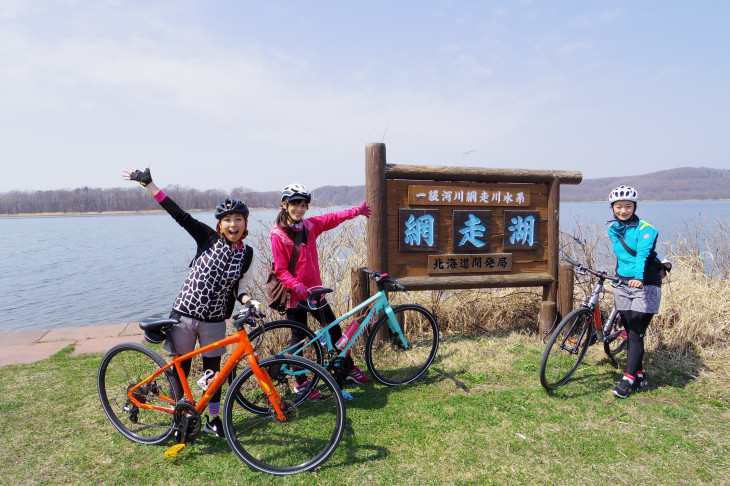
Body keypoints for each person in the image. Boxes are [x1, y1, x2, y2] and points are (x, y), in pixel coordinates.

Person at [122, 166, 258, 436]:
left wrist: (248, 301)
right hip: (184, 316)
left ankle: (213, 420)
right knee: (180, 370)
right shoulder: (207, 238)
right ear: (219, 224)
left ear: (246, 223)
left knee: (213, 373)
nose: (233, 224)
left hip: (215, 321)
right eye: (227, 219)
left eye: (238, 219)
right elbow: (179, 215)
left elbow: (239, 287)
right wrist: (149, 184)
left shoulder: (248, 254)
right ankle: (179, 417)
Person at [270, 183, 371, 398]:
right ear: (284, 205)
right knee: (299, 340)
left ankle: (348, 368)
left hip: (316, 293)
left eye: (303, 205)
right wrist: (297, 285)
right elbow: (280, 271)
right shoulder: (278, 235)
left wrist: (357, 212)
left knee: (334, 332)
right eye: (295, 204)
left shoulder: (309, 226)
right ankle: (301, 383)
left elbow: (332, 218)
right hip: (295, 296)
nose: (299, 209)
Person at [606, 185, 662, 399]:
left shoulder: (646, 229)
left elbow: (641, 255)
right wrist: (618, 277)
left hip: (645, 283)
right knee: (630, 330)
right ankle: (639, 375)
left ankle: (628, 379)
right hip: (622, 283)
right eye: (619, 206)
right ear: (613, 208)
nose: (623, 210)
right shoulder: (612, 229)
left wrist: (638, 278)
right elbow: (621, 257)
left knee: (637, 330)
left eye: (627, 206)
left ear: (634, 207)